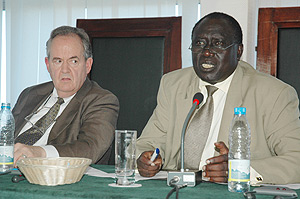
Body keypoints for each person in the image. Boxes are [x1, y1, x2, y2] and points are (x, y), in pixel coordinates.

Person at [136, 12, 300, 185]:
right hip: (175, 187)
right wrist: (146, 159)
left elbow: (296, 158)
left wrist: (240, 170)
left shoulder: (273, 93)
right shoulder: (173, 84)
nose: (207, 52)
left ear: (238, 51)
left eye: (218, 44)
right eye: (199, 43)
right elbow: (148, 143)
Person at [13, 26, 119, 165]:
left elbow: (90, 148)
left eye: (73, 61)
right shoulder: (30, 94)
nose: (65, 70)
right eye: (58, 61)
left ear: (88, 65)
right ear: (48, 65)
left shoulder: (101, 100)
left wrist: (39, 152)